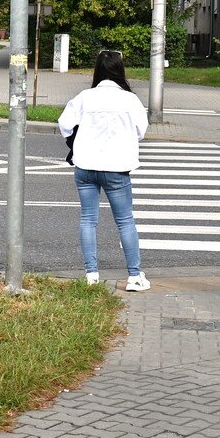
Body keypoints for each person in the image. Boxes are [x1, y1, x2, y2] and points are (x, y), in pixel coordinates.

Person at [58, 49, 151, 292]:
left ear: (97, 71)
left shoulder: (84, 97)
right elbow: (141, 131)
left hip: (85, 166)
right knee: (125, 221)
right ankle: (134, 277)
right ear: (121, 72)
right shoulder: (130, 100)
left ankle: (91, 274)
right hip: (117, 168)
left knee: (88, 220)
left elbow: (65, 125)